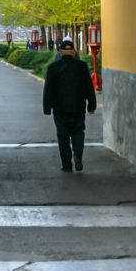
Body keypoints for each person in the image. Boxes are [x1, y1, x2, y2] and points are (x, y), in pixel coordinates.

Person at [43, 38, 96, 172]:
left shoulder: (53, 68)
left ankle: (66, 164)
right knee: (78, 131)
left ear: (60, 52)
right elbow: (89, 88)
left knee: (63, 136)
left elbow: (48, 89)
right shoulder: (82, 67)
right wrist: (91, 105)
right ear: (73, 52)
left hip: (59, 108)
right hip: (78, 107)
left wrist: (47, 108)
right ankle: (78, 155)